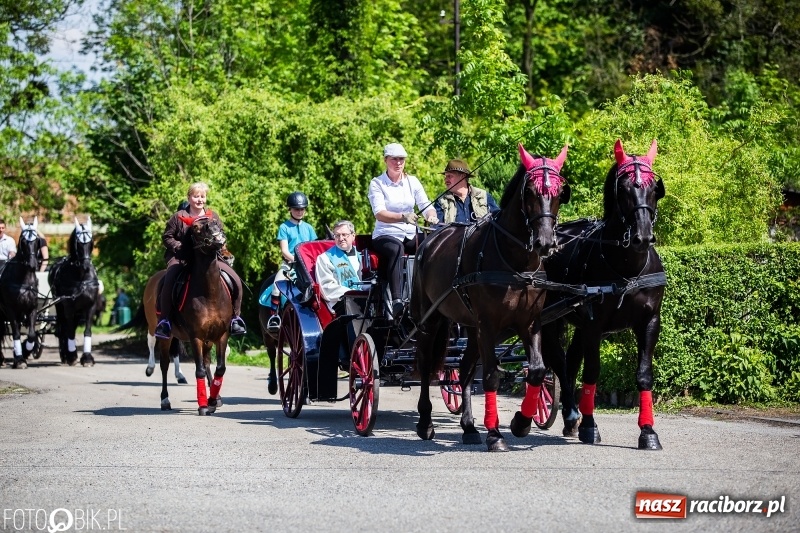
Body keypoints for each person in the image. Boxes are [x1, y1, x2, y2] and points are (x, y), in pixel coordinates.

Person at [154, 182, 246, 338]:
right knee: (168, 280)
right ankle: (165, 322)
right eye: (196, 196)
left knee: (235, 279)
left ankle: (235, 319)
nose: (199, 199)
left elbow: (221, 235)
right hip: (182, 257)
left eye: (202, 196)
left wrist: (223, 249)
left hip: (210, 258)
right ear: (189, 197)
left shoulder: (213, 216)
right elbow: (167, 237)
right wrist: (179, 247)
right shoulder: (178, 217)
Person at [368, 143, 438, 318]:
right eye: (394, 159)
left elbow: (425, 204)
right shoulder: (377, 183)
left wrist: (431, 215)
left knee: (436, 243)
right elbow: (380, 214)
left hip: (409, 233)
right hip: (385, 234)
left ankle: (435, 291)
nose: (398, 163)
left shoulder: (412, 181)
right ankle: (398, 300)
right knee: (396, 248)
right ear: (386, 160)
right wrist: (403, 217)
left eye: (402, 159)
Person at [266, 192, 318, 325]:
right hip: (290, 264)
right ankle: (274, 316)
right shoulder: (284, 227)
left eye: (302, 209)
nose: (300, 212)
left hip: (307, 265)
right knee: (277, 286)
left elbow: (313, 248)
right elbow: (284, 251)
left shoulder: (309, 228)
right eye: (296, 209)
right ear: (290, 209)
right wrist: (297, 259)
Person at [315, 220, 361, 315]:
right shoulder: (324, 258)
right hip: (341, 302)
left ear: (353, 235)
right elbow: (326, 287)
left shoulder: (363, 254)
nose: (341, 238)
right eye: (337, 235)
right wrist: (353, 293)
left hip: (368, 298)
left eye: (344, 234)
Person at [434, 159, 500, 224]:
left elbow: (498, 219)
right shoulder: (441, 201)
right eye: (445, 176)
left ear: (462, 176)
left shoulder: (484, 196)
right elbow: (437, 231)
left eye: (449, 176)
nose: (446, 180)